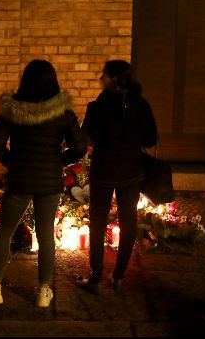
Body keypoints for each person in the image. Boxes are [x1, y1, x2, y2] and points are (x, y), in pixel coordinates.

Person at [0, 59, 87, 308]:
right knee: (46, 234)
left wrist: (12, 161)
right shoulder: (63, 114)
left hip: (20, 179)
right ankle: (44, 292)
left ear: (24, 81)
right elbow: (79, 147)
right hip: (49, 182)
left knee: (5, 232)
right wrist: (59, 160)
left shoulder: (12, 110)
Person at [77, 60, 157, 294]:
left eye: (103, 76)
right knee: (128, 221)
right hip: (131, 172)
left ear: (112, 79)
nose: (100, 79)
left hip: (104, 171)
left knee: (98, 222)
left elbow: (87, 138)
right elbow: (150, 140)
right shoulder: (141, 105)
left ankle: (96, 278)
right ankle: (119, 277)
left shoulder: (97, 107)